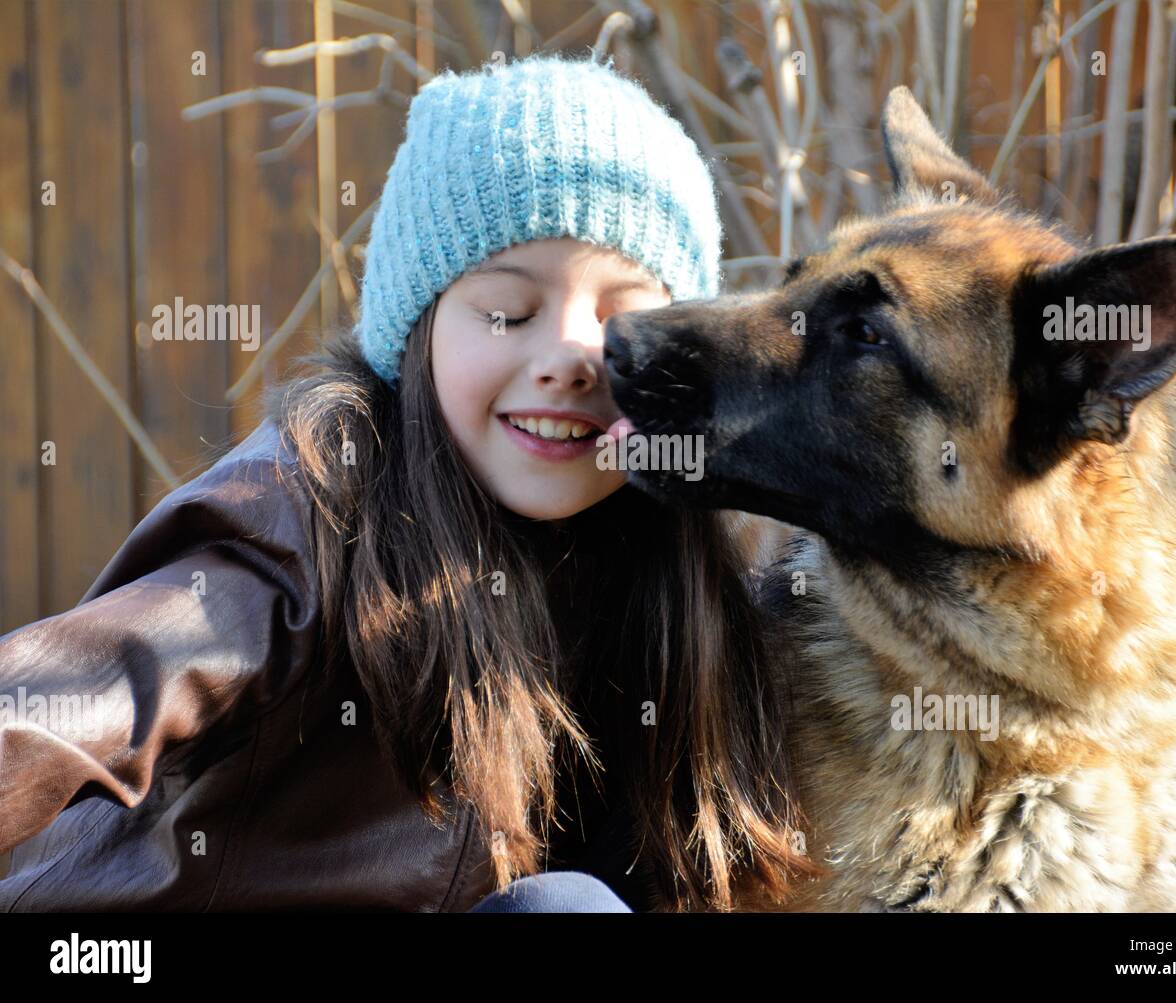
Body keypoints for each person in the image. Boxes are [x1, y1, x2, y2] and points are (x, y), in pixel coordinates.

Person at [0, 53, 817, 912]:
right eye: (508, 311)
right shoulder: (304, 521)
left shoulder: (673, 588)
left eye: (623, 320)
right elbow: (55, 705)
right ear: (415, 335)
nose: (570, 358)